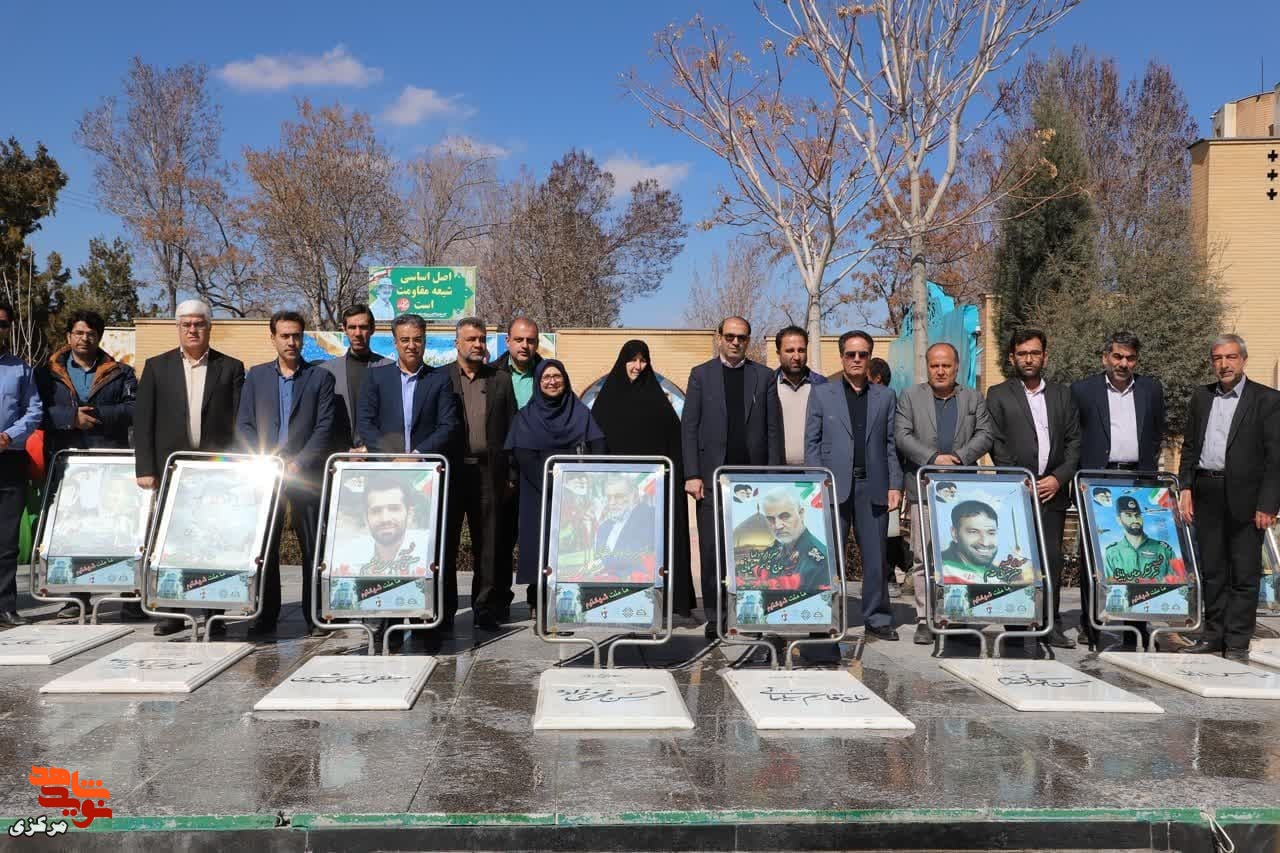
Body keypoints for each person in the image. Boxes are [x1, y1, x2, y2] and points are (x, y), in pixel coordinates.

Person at [134, 300, 245, 636]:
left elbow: (240, 422)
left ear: (209, 327)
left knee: (214, 539)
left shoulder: (231, 367)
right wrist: (145, 468)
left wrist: (238, 467)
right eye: (186, 324)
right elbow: (144, 421)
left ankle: (214, 611)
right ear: (178, 328)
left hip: (216, 473)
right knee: (171, 540)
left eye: (199, 324)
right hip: (172, 472)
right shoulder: (157, 367)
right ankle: (172, 611)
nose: (193, 330)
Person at [1178, 333, 1280, 661]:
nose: (1224, 364)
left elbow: (1276, 458)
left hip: (1247, 498)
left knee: (1244, 572)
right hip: (1206, 491)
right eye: (1218, 358)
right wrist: (1186, 487)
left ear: (1244, 360)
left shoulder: (1267, 400)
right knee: (1213, 570)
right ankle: (1213, 634)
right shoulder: (1201, 397)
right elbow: (1189, 447)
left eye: (1231, 357)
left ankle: (1236, 642)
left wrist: (1268, 503)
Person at [681, 316, 783, 638]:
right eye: (730, 336)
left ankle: (751, 613)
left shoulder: (764, 377)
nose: (736, 342)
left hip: (753, 481)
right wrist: (692, 474)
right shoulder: (701, 375)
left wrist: (774, 476)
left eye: (742, 337)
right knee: (712, 550)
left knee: (754, 549)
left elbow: (773, 429)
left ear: (748, 340)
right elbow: (689, 427)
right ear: (719, 337)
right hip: (712, 480)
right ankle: (716, 616)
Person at [36, 310, 141, 619]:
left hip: (110, 461)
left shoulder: (121, 373)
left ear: (99, 337)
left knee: (117, 527)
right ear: (69, 336)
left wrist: (95, 416)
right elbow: (35, 411)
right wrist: (71, 418)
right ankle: (76, 597)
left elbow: (134, 408)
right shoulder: (46, 374)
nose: (85, 338)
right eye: (79, 333)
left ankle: (129, 597)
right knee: (73, 529)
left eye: (91, 333)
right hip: (66, 463)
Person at [236, 310, 336, 636]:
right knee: (265, 547)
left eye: (296, 335)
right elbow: (245, 424)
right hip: (266, 474)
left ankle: (315, 616)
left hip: (304, 474)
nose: (291, 341)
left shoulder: (320, 378)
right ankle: (264, 616)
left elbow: (324, 427)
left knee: (312, 547)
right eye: (285, 335)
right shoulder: (256, 377)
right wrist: (263, 460)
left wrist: (299, 462)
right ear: (273, 338)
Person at [985, 329, 1081, 649]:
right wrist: (1019, 478)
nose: (1029, 359)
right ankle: (1015, 625)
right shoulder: (998, 394)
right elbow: (996, 442)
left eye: (1035, 353)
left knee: (1051, 558)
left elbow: (1074, 442)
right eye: (1023, 353)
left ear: (1045, 356)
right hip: (1016, 492)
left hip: (1052, 490)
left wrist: (1059, 478)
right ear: (1012, 357)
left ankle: (1050, 624)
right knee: (1016, 559)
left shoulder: (1062, 395)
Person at [804, 330, 903, 640]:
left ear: (869, 357)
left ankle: (877, 617)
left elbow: (891, 444)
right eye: (851, 354)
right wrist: (816, 483)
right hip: (833, 486)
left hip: (873, 485)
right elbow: (812, 443)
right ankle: (825, 615)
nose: (857, 359)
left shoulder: (885, 396)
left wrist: (895, 484)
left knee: (875, 558)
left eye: (863, 354)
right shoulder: (822, 393)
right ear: (842, 357)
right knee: (827, 557)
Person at [1071, 330, 1166, 646]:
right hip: (1097, 481)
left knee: (1139, 553)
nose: (1123, 363)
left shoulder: (1151, 389)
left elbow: (1157, 433)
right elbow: (1075, 437)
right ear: (1105, 358)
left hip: (1138, 481)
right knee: (1094, 555)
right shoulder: (1083, 391)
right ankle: (1092, 624)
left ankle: (1136, 625)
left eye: (1130, 358)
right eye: (1118, 356)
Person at [590, 340, 697, 620]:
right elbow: (596, 442)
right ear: (622, 361)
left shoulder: (658, 402)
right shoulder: (607, 401)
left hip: (653, 494)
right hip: (618, 492)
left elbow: (674, 443)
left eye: (643, 360)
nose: (638, 366)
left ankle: (665, 598)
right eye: (633, 360)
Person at [895, 342, 994, 643]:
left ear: (956, 367)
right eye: (935, 365)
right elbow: (902, 435)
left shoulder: (973, 397)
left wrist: (960, 457)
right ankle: (925, 618)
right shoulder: (910, 396)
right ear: (928, 367)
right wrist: (933, 458)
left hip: (963, 489)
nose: (940, 371)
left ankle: (959, 615)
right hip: (924, 488)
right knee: (923, 556)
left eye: (946, 365)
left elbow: (985, 434)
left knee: (963, 554)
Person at [506, 360, 605, 618]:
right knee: (540, 545)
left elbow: (598, 442)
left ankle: (567, 603)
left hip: (574, 495)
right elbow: (522, 453)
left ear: (565, 379)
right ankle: (538, 601)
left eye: (557, 376)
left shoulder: (580, 412)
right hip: (539, 492)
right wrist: (554, 483)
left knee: (570, 548)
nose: (552, 382)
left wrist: (586, 479)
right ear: (538, 383)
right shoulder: (526, 416)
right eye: (546, 377)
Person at [443, 317, 517, 630]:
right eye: (471, 339)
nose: (477, 344)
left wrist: (510, 474)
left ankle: (484, 608)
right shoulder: (440, 378)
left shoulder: (500, 380)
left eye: (482, 339)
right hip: (451, 472)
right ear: (457, 343)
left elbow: (512, 429)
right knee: (445, 544)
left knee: (488, 545)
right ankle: (444, 611)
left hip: (488, 473)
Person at [356, 314, 459, 457]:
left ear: (424, 341)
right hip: (385, 464)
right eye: (405, 340)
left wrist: (418, 455)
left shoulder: (440, 380)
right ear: (395, 343)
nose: (411, 346)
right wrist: (389, 457)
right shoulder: (375, 377)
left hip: (425, 463)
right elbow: (365, 423)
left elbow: (447, 426)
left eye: (417, 340)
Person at [0, 302, 42, 627]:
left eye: (2, 324)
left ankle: (6, 606)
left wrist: (8, 435)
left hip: (9, 460)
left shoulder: (21, 370)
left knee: (7, 539)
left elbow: (34, 411)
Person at [321, 304, 390, 451]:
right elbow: (322, 421)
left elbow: (395, 419)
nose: (357, 333)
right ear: (344, 329)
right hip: (339, 456)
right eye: (352, 327)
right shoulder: (326, 372)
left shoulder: (390, 369)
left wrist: (368, 449)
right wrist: (346, 451)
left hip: (379, 455)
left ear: (372, 329)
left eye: (363, 327)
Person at [739, 488, 831, 591]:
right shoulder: (772, 552)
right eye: (771, 519)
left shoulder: (819, 561)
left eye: (785, 517)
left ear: (801, 514)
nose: (778, 526)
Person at [868, 358, 906, 599]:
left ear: (877, 379)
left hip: (886, 478)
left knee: (888, 532)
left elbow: (893, 444)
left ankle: (890, 577)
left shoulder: (888, 401)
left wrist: (895, 482)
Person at [588, 475, 658, 584]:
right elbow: (598, 561)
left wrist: (606, 567)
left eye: (618, 496)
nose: (612, 502)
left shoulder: (650, 516)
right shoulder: (603, 528)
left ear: (634, 495)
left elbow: (642, 557)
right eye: (609, 497)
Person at [774, 325, 826, 466]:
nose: (796, 357)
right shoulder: (768, 386)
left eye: (801, 350)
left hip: (814, 471)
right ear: (778, 353)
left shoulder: (823, 386)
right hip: (777, 472)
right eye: (790, 350)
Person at [1104, 496, 1183, 583]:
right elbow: (1108, 586)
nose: (1135, 520)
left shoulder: (1164, 550)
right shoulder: (1111, 553)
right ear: (1119, 520)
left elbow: (1178, 583)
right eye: (1128, 515)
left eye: (1137, 515)